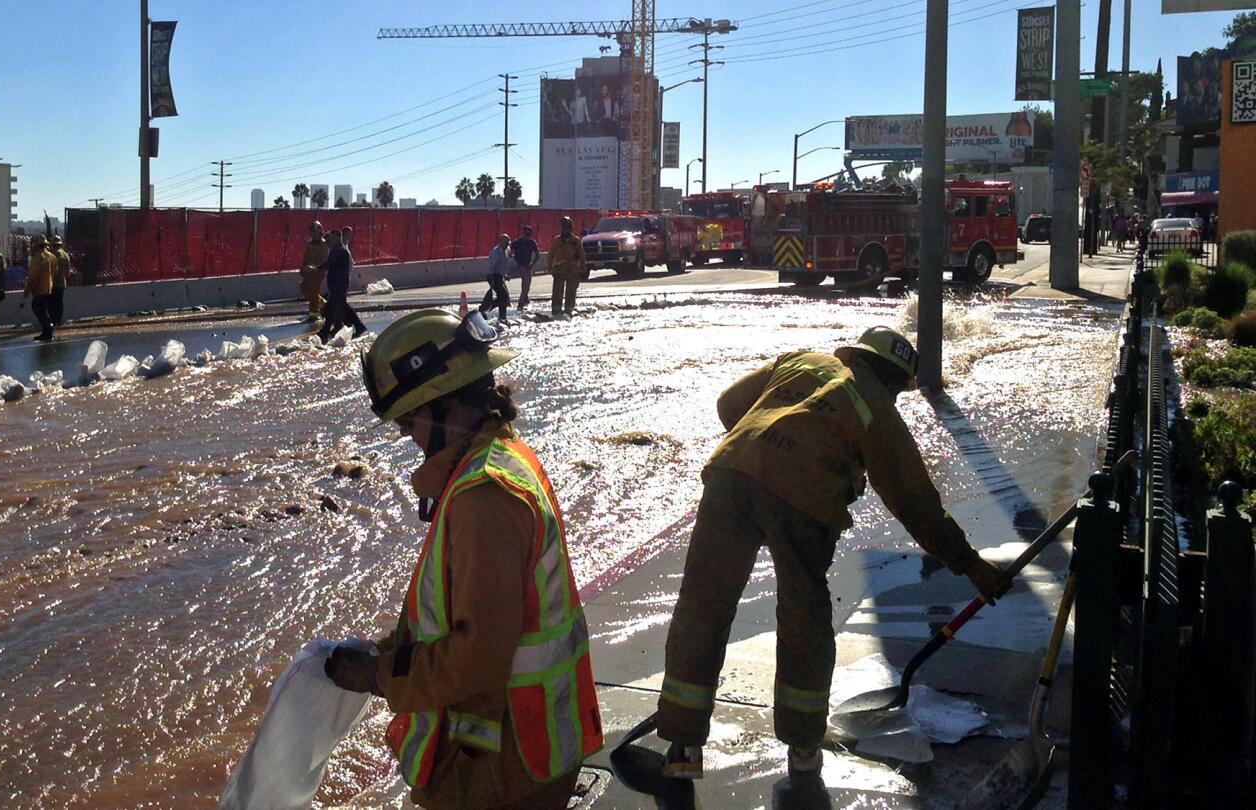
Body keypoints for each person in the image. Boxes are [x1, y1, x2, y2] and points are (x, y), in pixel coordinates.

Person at [655, 327, 1009, 792]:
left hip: (731, 475)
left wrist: (768, 452)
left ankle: (681, 746)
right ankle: (803, 748)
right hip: (804, 500)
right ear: (896, 382)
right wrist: (973, 567)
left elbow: (729, 405)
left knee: (703, 606)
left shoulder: (802, 360)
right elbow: (916, 504)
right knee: (805, 617)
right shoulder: (877, 407)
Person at [325, 308, 604, 809]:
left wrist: (376, 675)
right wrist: (391, 649)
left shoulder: (484, 496)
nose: (409, 438)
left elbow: (476, 654)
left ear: (445, 407)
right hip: (519, 754)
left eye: (409, 421)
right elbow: (463, 614)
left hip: (501, 767)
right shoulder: (503, 455)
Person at [315, 229, 366, 343]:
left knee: (331, 308)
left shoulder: (340, 251)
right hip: (337, 284)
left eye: (332, 238)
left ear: (338, 238)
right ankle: (357, 326)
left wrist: (317, 269)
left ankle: (325, 331)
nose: (330, 241)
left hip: (339, 284)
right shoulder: (336, 250)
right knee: (341, 307)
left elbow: (329, 263)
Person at [547, 216, 586, 319]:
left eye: (567, 227)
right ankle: (556, 310)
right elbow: (551, 254)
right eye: (564, 227)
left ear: (571, 228)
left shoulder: (576, 241)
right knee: (557, 291)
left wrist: (583, 265)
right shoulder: (556, 240)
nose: (565, 230)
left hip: (572, 270)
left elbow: (581, 254)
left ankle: (569, 310)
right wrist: (549, 266)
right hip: (559, 270)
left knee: (571, 291)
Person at [24, 235, 57, 342]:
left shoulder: (37, 258)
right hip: (49, 288)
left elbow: (33, 276)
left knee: (38, 308)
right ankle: (48, 329)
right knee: (44, 309)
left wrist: (27, 289)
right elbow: (54, 272)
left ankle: (47, 330)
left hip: (39, 289)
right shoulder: (52, 256)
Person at [299, 219, 329, 320]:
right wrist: (303, 268)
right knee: (304, 288)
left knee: (314, 292)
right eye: (312, 232)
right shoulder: (310, 244)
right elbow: (305, 258)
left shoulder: (324, 245)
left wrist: (316, 268)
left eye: (315, 232)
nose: (313, 235)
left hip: (319, 272)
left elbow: (325, 259)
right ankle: (324, 304)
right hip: (308, 271)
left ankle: (314, 315)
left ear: (320, 233)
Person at [480, 233, 512, 323]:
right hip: (493, 276)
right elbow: (491, 265)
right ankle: (489, 310)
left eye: (508, 243)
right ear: (500, 242)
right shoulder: (496, 252)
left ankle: (486, 308)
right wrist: (492, 278)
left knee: (503, 297)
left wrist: (505, 275)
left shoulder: (506, 250)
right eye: (505, 243)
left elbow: (503, 264)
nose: (507, 244)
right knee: (503, 296)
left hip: (500, 276)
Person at [510, 226, 540, 310]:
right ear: (523, 233)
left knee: (527, 284)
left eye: (529, 234)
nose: (527, 236)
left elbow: (537, 254)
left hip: (528, 265)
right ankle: (521, 302)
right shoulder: (517, 242)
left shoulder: (532, 243)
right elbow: (509, 252)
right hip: (520, 264)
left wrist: (532, 264)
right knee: (526, 281)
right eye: (526, 234)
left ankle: (524, 298)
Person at [49, 235, 72, 326]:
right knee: (59, 303)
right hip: (62, 282)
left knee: (52, 304)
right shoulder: (65, 255)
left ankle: (53, 321)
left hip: (54, 283)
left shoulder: (54, 255)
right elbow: (68, 270)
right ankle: (58, 320)